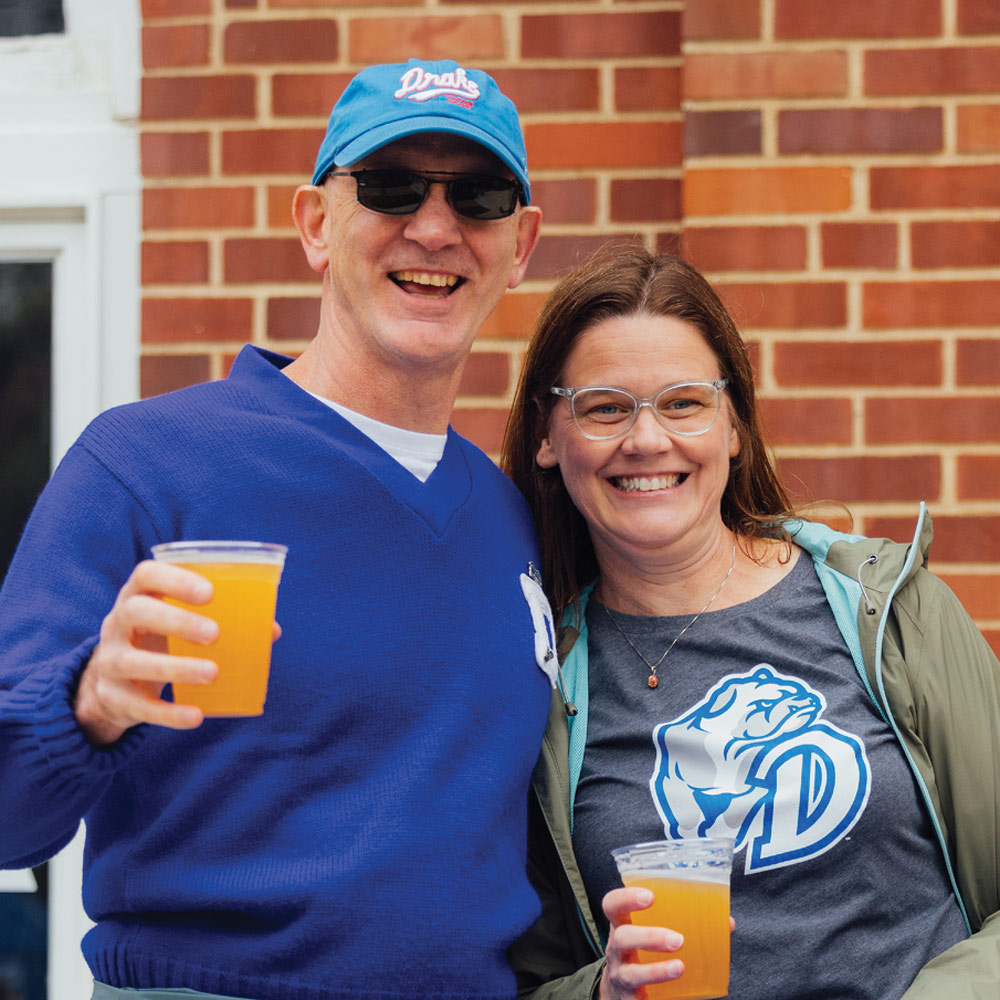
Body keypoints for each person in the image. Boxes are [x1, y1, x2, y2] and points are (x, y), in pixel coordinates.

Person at [0, 58, 554, 1000]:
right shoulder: (144, 464)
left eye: (480, 195)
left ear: (522, 242)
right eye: (387, 187)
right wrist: (90, 702)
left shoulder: (515, 517)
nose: (433, 226)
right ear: (314, 224)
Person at [501, 244, 1000, 1000]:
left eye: (684, 402)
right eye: (605, 406)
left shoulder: (890, 612)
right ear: (549, 435)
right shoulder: (536, 695)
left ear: (734, 425)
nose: (646, 439)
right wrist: (601, 993)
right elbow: (520, 978)